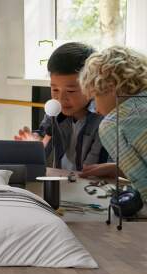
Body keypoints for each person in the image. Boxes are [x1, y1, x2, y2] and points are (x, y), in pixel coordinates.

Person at [14, 42, 108, 171]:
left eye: (71, 91)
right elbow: (44, 138)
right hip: (61, 181)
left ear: (91, 86)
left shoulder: (102, 119)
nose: (61, 98)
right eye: (55, 90)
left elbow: (97, 169)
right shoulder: (54, 111)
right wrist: (34, 143)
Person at [79, 45, 147, 210]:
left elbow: (144, 186)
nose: (96, 109)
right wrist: (119, 169)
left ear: (110, 88)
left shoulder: (113, 123)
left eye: (95, 97)